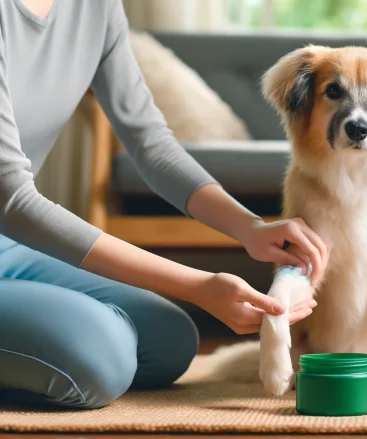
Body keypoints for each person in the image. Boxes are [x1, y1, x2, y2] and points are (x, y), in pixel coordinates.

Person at [0, 0, 328, 409]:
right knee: (103, 358)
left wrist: (250, 228)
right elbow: (12, 199)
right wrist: (198, 285)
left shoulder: (96, 8)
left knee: (168, 341)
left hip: (9, 248)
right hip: (11, 222)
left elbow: (150, 144)